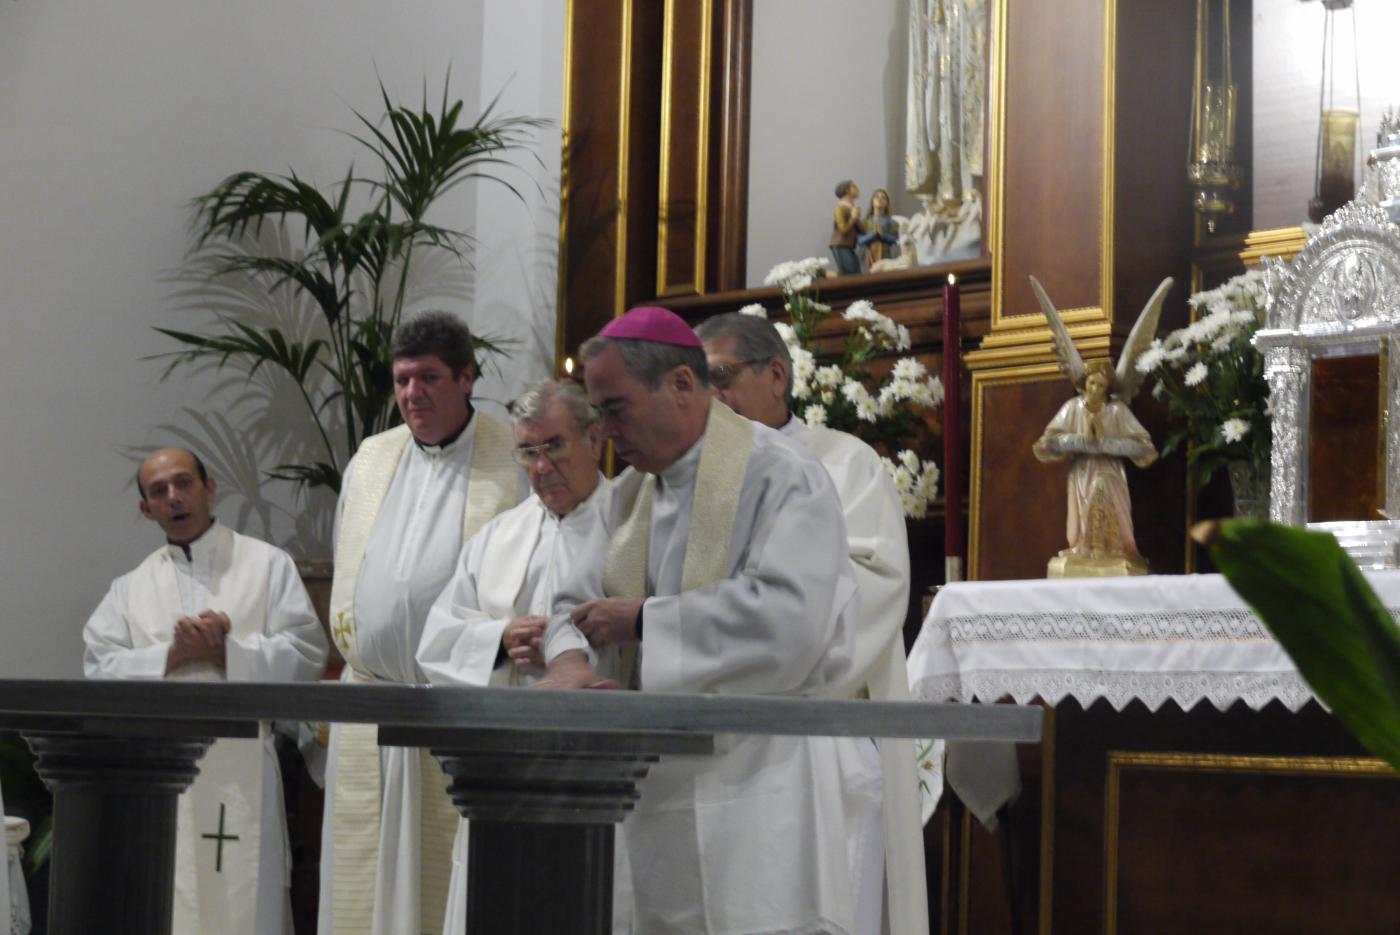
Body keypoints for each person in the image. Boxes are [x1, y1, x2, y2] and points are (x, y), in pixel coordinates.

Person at [538, 305, 884, 935]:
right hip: (647, 788)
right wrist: (567, 660)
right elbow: (570, 604)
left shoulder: (781, 473)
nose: (606, 432)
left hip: (758, 783)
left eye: (615, 409)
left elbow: (790, 621)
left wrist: (648, 621)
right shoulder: (629, 494)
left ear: (680, 384)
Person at [696, 311, 929, 935]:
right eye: (697, 380)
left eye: (720, 376)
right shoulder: (689, 476)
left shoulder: (846, 464)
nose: (709, 396)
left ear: (777, 375)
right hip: (711, 741)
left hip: (813, 740)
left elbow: (876, 588)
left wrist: (759, 638)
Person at [318, 310, 525, 935]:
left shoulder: (512, 460)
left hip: (457, 708)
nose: (413, 394)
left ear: (467, 377)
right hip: (368, 706)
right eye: (403, 379)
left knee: (447, 899)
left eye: (430, 378)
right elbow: (346, 569)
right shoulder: (371, 460)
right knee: (361, 891)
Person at [83, 447, 329, 935]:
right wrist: (169, 657)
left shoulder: (266, 565)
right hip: (162, 775)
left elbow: (306, 655)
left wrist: (226, 653)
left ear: (209, 487)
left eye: (183, 483)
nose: (174, 497)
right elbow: (99, 667)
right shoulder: (129, 589)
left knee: (247, 901)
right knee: (172, 905)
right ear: (145, 509)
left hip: (242, 765)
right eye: (158, 491)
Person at [416, 379, 614, 935]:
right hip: (504, 768)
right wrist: (497, 642)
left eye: (555, 445)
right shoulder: (498, 535)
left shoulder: (629, 521)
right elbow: (436, 640)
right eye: (528, 451)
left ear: (594, 437)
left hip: (600, 769)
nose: (541, 465)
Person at [1033, 358, 1158, 563]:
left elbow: (1143, 445)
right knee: (1085, 508)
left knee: (1102, 485)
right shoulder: (1073, 407)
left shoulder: (1116, 410)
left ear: (1107, 388)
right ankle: (1087, 547)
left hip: (1110, 469)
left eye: (1101, 385)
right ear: (1085, 383)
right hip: (1082, 471)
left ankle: (1110, 547)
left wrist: (1105, 443)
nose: (1095, 389)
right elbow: (1048, 442)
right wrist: (1082, 441)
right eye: (1092, 383)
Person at [858, 187, 901, 268]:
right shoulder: (865, 222)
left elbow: (896, 240)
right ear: (872, 201)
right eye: (876, 197)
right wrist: (873, 235)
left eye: (883, 198)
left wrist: (882, 236)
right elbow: (859, 240)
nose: (879, 199)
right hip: (867, 255)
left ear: (887, 203)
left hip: (885, 255)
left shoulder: (892, 222)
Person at [831, 179, 864, 275]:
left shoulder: (852, 208)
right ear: (846, 191)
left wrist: (857, 219)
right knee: (849, 274)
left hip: (849, 246)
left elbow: (862, 231)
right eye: (854, 186)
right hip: (840, 244)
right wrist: (853, 218)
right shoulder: (840, 208)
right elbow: (842, 230)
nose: (857, 188)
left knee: (856, 273)